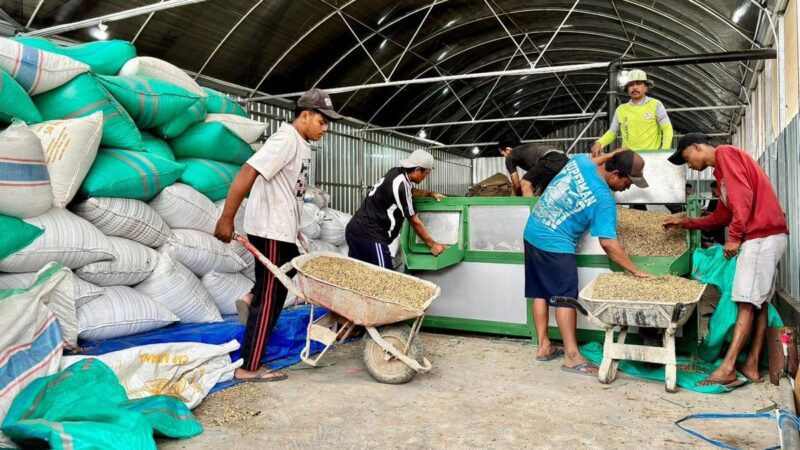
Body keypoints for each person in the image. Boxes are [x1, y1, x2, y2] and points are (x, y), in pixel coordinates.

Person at [214, 88, 342, 382]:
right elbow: (249, 171)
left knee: (278, 283)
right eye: (322, 122)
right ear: (305, 115)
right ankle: (249, 367)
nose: (325, 129)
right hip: (270, 228)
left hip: (282, 229)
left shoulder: (300, 143)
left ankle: (250, 297)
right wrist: (227, 218)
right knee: (272, 297)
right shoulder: (285, 140)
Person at [663, 133, 789, 387]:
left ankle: (728, 368)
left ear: (697, 147)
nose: (689, 165)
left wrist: (734, 238)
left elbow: (743, 199)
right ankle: (751, 365)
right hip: (767, 236)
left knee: (744, 302)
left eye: (687, 158)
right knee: (759, 303)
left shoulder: (726, 154)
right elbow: (722, 215)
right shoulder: (720, 173)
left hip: (759, 237)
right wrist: (687, 221)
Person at [524, 149, 652, 375]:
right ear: (614, 174)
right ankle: (572, 356)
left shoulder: (581, 162)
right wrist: (635, 270)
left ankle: (544, 346)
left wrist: (615, 152)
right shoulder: (604, 199)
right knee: (565, 298)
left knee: (540, 293)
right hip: (555, 242)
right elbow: (609, 245)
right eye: (627, 181)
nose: (628, 187)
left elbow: (596, 160)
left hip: (534, 229)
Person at [345, 150, 446, 268]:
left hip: (355, 231)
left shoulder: (396, 173)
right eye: (426, 173)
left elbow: (410, 192)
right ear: (417, 170)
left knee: (359, 275)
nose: (426, 177)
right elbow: (415, 221)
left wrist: (430, 194)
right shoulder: (402, 186)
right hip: (370, 236)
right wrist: (432, 243)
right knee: (386, 278)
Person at [591, 69, 673, 156]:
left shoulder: (656, 104)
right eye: (631, 85)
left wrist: (664, 152)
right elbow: (612, 132)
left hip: (651, 157)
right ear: (627, 89)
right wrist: (599, 143)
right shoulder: (621, 109)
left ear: (646, 87)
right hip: (628, 158)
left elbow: (667, 128)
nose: (634, 87)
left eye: (638, 83)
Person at [497, 135, 568, 197]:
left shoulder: (511, 155)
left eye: (503, 154)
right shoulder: (526, 151)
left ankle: (530, 211)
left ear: (508, 150)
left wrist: (519, 195)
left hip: (551, 159)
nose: (505, 157)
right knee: (544, 190)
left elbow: (516, 183)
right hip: (564, 159)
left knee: (524, 184)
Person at [701, 181, 726, 247]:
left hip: (716, 225)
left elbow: (717, 214)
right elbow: (713, 209)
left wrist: (705, 213)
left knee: (717, 241)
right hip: (718, 224)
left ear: (715, 188)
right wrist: (706, 209)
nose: (711, 191)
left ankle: (718, 251)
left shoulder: (717, 199)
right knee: (719, 239)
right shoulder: (719, 198)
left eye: (712, 189)